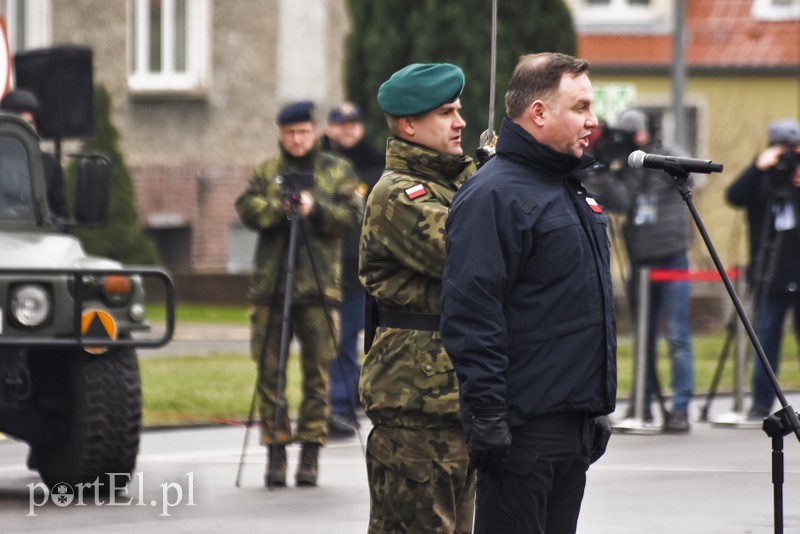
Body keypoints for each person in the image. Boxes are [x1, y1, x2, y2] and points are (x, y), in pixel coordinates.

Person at [440, 52, 616, 534]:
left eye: (591, 107)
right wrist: (488, 415)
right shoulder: (493, 194)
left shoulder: (571, 190)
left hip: (571, 426)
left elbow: (582, 308)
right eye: (579, 107)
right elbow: (472, 314)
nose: (593, 120)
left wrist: (595, 406)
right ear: (538, 113)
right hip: (521, 431)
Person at [358, 63, 477, 533]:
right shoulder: (398, 196)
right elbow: (468, 252)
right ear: (409, 125)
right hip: (416, 407)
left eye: (459, 110)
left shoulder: (453, 185)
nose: (460, 122)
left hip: (453, 401)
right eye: (446, 112)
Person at [234, 100, 363, 487]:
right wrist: (280, 208)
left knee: (317, 375)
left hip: (319, 289)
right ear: (280, 135)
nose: (297, 140)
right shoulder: (267, 171)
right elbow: (247, 208)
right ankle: (275, 451)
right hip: (272, 288)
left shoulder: (336, 170)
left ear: (314, 131)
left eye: (304, 132)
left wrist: (314, 207)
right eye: (290, 134)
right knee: (269, 372)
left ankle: (310, 453)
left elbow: (352, 214)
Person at [588, 108, 697, 433]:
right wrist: (604, 170)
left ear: (646, 132)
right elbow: (621, 202)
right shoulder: (624, 168)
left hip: (672, 256)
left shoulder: (666, 157)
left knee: (677, 336)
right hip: (641, 261)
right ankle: (644, 405)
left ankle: (680, 409)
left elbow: (690, 174)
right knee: (644, 338)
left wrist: (652, 153)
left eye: (633, 133)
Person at [726, 118, 800, 421]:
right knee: (766, 338)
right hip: (769, 272)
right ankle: (761, 403)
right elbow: (734, 196)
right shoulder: (762, 176)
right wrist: (759, 166)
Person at [321, 102, 384, 437]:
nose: (347, 130)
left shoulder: (375, 166)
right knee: (337, 340)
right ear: (330, 128)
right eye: (340, 124)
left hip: (358, 266)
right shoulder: (317, 164)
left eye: (352, 124)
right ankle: (339, 405)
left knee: (352, 338)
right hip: (320, 266)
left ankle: (345, 403)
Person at [0, 89, 69, 226]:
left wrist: (51, 223)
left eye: (30, 123)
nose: (26, 128)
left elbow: (61, 216)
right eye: (19, 122)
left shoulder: (48, 165)